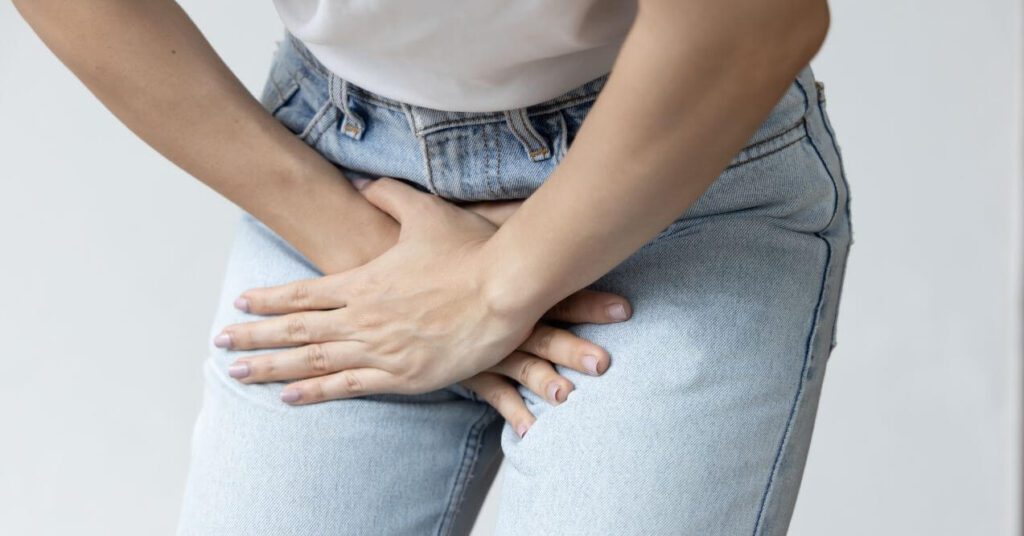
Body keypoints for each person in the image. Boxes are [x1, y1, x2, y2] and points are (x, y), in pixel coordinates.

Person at [14, 0, 851, 534]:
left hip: (661, 173)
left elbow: (758, 15)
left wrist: (491, 293)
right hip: (340, 163)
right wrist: (364, 246)